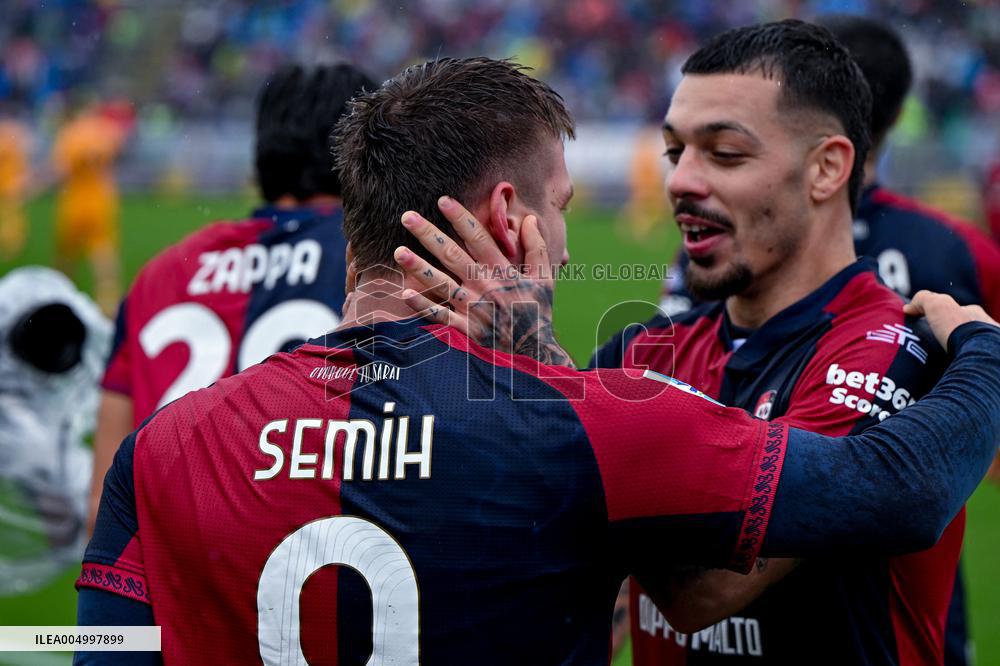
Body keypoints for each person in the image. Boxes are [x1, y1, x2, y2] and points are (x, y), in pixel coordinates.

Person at [77, 56, 1000, 666]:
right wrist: (985, 353)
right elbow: (892, 488)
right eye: (559, 209)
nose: (563, 248)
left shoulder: (164, 446)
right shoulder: (590, 422)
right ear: (510, 216)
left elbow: (98, 651)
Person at [396, 22, 966, 666]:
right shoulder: (641, 352)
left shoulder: (889, 351)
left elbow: (706, 589)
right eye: (675, 153)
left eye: (723, 153)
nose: (680, 182)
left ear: (827, 168)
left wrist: (541, 368)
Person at [87, 63, 377, 533]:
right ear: (370, 156)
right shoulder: (379, 263)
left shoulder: (161, 275)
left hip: (168, 583)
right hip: (309, 574)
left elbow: (101, 505)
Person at [51, 105, 127, 314]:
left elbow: (61, 169)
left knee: (67, 252)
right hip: (101, 199)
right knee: (103, 250)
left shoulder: (70, 133)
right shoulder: (104, 131)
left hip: (75, 199)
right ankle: (109, 298)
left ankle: (60, 294)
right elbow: (117, 154)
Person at [0, 117, 31, 259]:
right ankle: (13, 241)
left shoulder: (10, 147)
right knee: (10, 214)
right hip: (8, 183)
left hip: (10, 184)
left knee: (12, 214)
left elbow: (22, 168)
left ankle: (13, 242)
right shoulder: (10, 146)